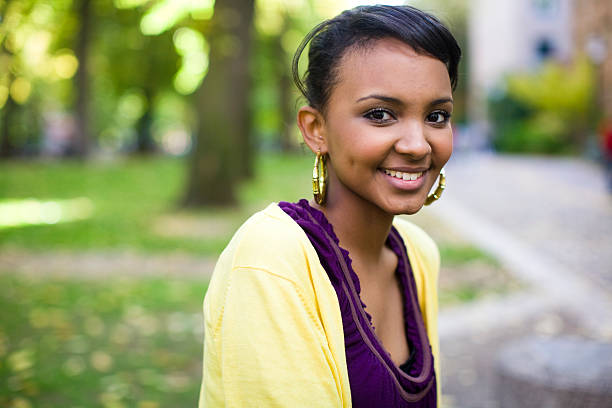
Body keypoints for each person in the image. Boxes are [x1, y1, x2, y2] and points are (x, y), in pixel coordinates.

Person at [199, 5, 461, 407]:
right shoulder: (272, 261)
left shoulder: (417, 253)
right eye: (380, 114)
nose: (418, 144)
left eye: (436, 116)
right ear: (315, 129)